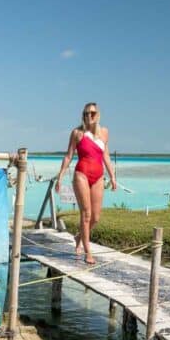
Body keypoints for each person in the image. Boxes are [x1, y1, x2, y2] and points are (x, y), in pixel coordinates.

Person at [55, 102, 117, 264]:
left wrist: (113, 177)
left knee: (96, 217)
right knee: (86, 214)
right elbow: (68, 156)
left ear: (98, 115)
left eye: (92, 113)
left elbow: (106, 156)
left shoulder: (104, 133)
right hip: (81, 174)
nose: (89, 116)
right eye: (86, 113)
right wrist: (60, 176)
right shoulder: (77, 133)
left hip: (98, 176)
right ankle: (87, 251)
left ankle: (78, 236)